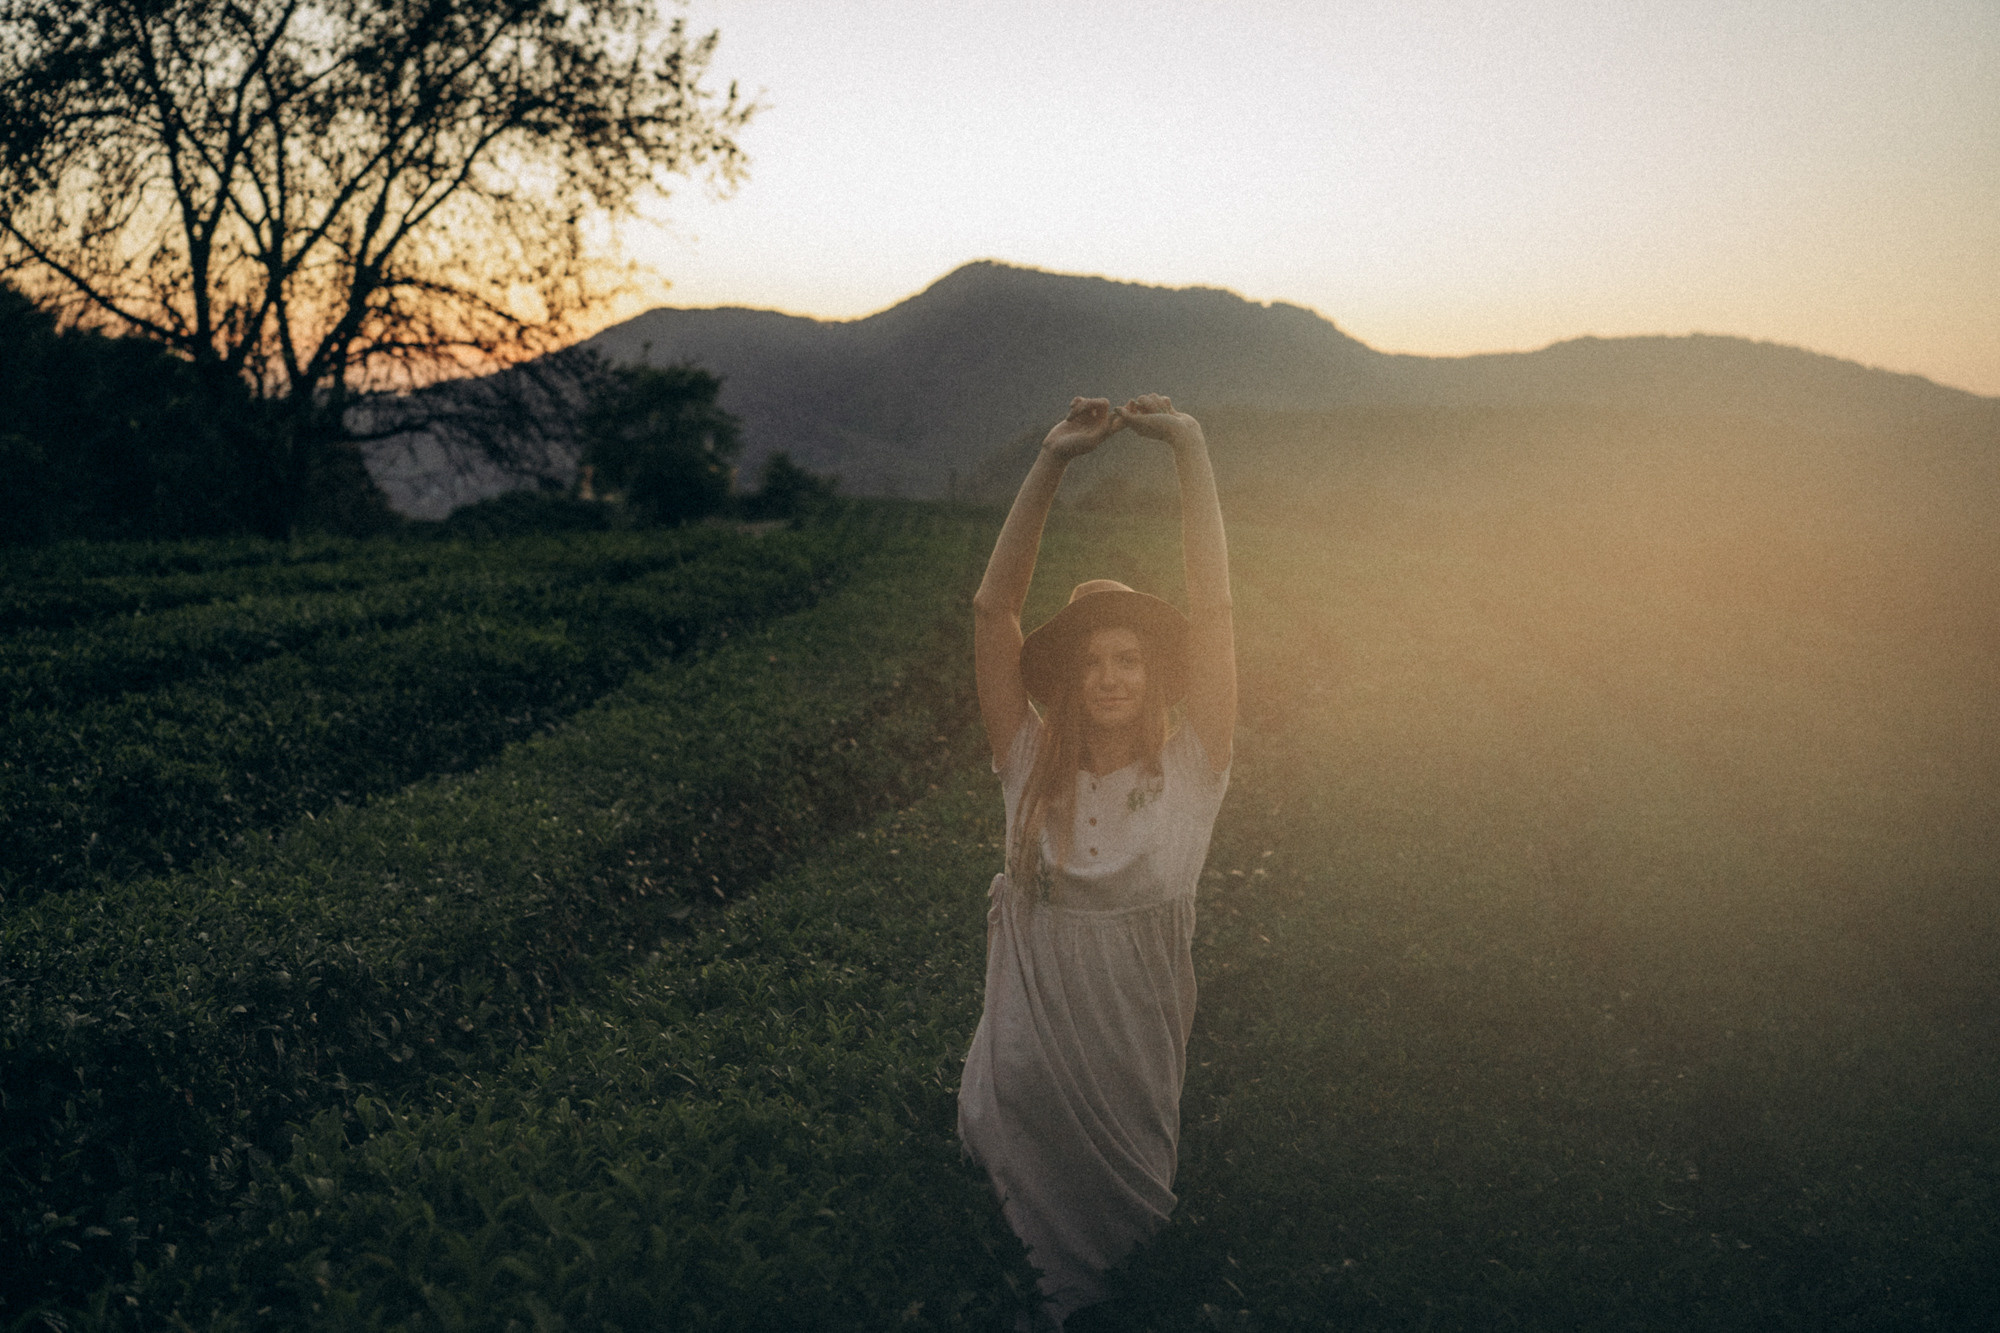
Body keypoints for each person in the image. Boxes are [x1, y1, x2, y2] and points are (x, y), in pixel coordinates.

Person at [958, 393, 1236, 1327]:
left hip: (1131, 1082)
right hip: (1027, 1085)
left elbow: (1216, 608)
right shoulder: (1030, 766)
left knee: (1130, 1287)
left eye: (1129, 658)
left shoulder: (1194, 771)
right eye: (1092, 662)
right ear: (1070, 679)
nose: (1112, 675)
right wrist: (1051, 461)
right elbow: (994, 611)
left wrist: (1189, 450)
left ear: (1155, 672)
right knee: (1024, 1294)